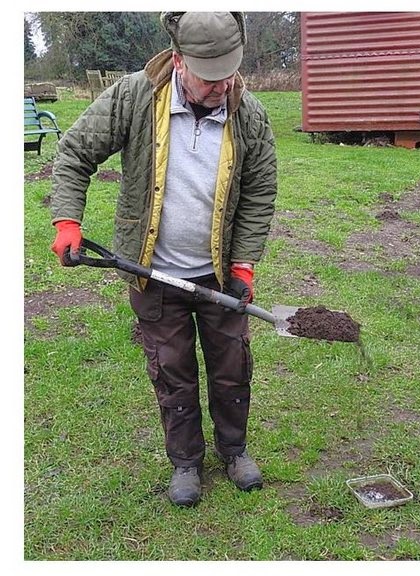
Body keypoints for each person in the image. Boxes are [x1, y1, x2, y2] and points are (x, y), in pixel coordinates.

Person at [49, 12, 278, 507]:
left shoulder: (249, 113)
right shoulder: (134, 97)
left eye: (229, 74)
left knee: (232, 367)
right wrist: (67, 220)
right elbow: (74, 153)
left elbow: (260, 190)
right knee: (172, 370)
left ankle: (234, 451)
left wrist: (243, 264)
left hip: (218, 275)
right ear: (178, 61)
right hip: (153, 272)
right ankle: (186, 463)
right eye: (209, 77)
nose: (223, 87)